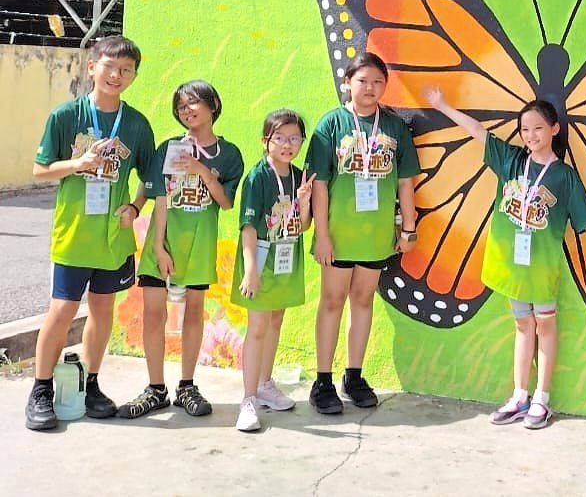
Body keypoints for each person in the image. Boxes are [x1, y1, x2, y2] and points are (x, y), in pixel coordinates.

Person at [425, 88, 586, 428]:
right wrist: (443, 105)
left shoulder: (564, 177)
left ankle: (542, 399)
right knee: (521, 325)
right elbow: (478, 132)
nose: (530, 135)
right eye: (525, 129)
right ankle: (519, 395)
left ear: (554, 129)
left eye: (538, 128)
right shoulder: (512, 160)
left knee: (545, 326)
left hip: (541, 268)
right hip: (512, 265)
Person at [26, 36, 155, 431]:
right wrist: (77, 163)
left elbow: (150, 178)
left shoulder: (135, 124)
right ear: (92, 67)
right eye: (110, 66)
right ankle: (41, 389)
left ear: (133, 76)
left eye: (126, 70)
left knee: (103, 310)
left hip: (113, 240)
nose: (117, 75)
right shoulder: (65, 116)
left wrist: (134, 208)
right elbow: (40, 170)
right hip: (74, 234)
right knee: (62, 311)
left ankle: (93, 385)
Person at [120, 81, 243, 419]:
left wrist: (202, 169)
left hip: (200, 244)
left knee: (193, 312)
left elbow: (226, 202)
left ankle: (187, 385)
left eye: (193, 103)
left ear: (213, 104)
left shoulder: (229, 155)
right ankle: (155, 388)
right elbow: (160, 198)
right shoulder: (169, 148)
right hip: (165, 242)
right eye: (181, 107)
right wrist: (158, 247)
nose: (187, 111)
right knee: (154, 314)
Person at [306, 52, 420, 414]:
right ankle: (322, 380)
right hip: (338, 235)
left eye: (377, 82)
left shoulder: (395, 127)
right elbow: (320, 185)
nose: (370, 88)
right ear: (348, 83)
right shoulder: (331, 125)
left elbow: (406, 182)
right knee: (331, 301)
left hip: (375, 235)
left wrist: (409, 227)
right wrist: (322, 235)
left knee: (363, 301)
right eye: (362, 81)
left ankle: (353, 375)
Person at [232, 109, 316, 432]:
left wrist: (305, 201)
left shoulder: (297, 176)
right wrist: (250, 270)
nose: (287, 144)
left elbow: (303, 224)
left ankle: (266, 384)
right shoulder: (257, 177)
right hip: (261, 259)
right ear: (265, 141)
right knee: (257, 327)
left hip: (287, 257)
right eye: (279, 138)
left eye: (294, 138)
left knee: (276, 320)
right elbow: (249, 227)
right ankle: (248, 400)